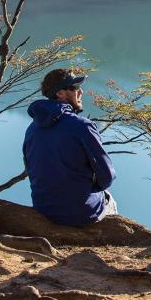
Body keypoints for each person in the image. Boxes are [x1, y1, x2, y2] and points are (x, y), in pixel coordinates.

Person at [23, 68, 117, 226]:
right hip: (80, 213)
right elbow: (107, 176)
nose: (80, 92)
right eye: (74, 88)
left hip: (44, 209)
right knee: (108, 199)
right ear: (60, 93)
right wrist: (89, 188)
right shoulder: (82, 126)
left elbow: (31, 170)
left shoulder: (32, 129)